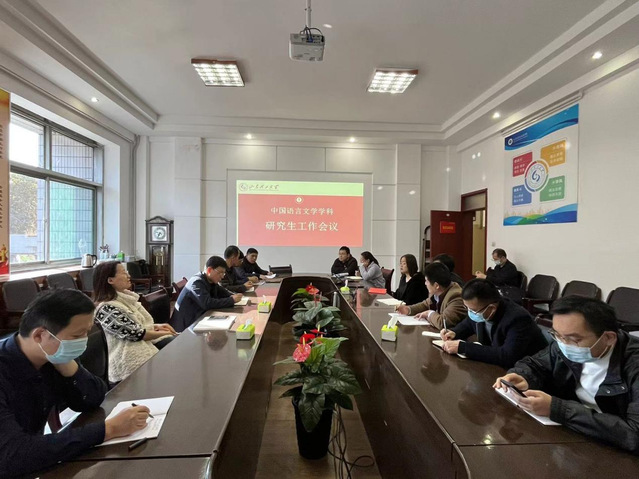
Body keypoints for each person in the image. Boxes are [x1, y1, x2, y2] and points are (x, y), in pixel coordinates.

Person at [0, 289, 151, 478]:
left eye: (87, 332)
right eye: (77, 335)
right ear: (39, 335)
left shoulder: (51, 354)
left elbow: (93, 398)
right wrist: (108, 429)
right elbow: (13, 455)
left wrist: (68, 366)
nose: (84, 341)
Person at [494, 297, 639, 453]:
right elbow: (535, 363)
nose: (563, 344)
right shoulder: (563, 342)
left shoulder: (633, 364)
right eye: (557, 335)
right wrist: (523, 376)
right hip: (573, 434)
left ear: (608, 338)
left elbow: (634, 435)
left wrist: (558, 409)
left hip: (614, 449)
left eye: (573, 339)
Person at [93, 262, 177, 383]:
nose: (129, 276)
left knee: (176, 347)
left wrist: (157, 326)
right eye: (124, 273)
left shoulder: (125, 299)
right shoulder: (106, 309)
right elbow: (136, 333)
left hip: (142, 342)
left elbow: (136, 326)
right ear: (110, 280)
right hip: (126, 356)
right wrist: (164, 333)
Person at [439, 279, 547, 368]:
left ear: (491, 308)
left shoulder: (518, 318)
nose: (470, 313)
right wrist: (454, 332)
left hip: (528, 371)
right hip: (496, 368)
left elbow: (507, 356)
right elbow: (468, 323)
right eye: (467, 308)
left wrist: (463, 347)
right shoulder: (482, 309)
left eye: (472, 310)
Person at [170, 256, 243, 332]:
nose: (222, 276)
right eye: (220, 273)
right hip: (186, 326)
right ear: (209, 270)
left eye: (224, 273)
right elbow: (207, 303)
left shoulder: (211, 281)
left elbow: (223, 292)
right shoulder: (197, 282)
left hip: (199, 318)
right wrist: (231, 300)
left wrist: (234, 295)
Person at [397, 262, 466, 330]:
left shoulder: (456, 296)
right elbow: (425, 304)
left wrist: (429, 313)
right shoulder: (437, 292)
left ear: (436, 285)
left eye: (426, 281)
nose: (425, 284)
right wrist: (408, 309)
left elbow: (443, 323)